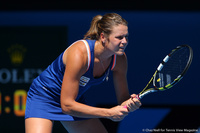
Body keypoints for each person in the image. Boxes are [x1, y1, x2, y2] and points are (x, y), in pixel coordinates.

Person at [25, 13, 142, 133]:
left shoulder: (120, 59)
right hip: (44, 97)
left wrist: (130, 103)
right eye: (119, 37)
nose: (125, 41)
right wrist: (108, 113)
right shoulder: (80, 54)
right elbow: (67, 106)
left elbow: (123, 98)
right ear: (103, 37)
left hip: (73, 100)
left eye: (126, 37)